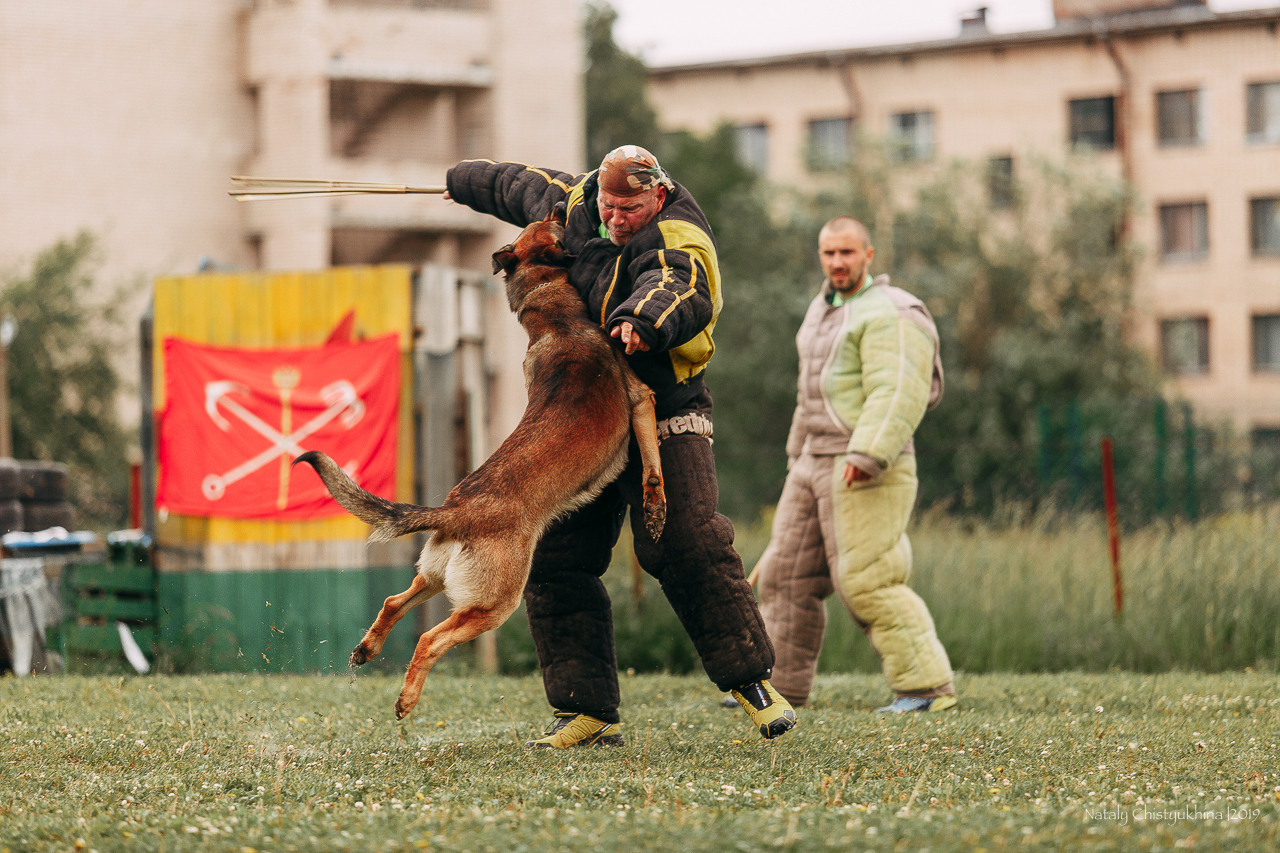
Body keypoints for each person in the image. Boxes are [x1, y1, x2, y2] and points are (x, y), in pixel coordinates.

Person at [444, 145, 797, 746]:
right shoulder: (581, 200)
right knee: (555, 552)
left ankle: (753, 683)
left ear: (656, 196)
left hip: (666, 406)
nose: (615, 217)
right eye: (609, 204)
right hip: (589, 412)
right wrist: (459, 180)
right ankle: (585, 711)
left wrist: (642, 319)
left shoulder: (681, 235)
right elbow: (518, 185)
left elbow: (678, 288)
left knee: (685, 544)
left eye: (629, 208)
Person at [753, 216, 957, 714]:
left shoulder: (893, 311)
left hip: (864, 464)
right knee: (786, 576)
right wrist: (796, 453)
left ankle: (926, 688)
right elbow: (811, 392)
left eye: (847, 253)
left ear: (869, 255)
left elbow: (899, 389)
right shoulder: (822, 308)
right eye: (829, 253)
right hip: (812, 461)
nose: (837, 262)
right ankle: (781, 690)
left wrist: (869, 453)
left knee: (868, 579)